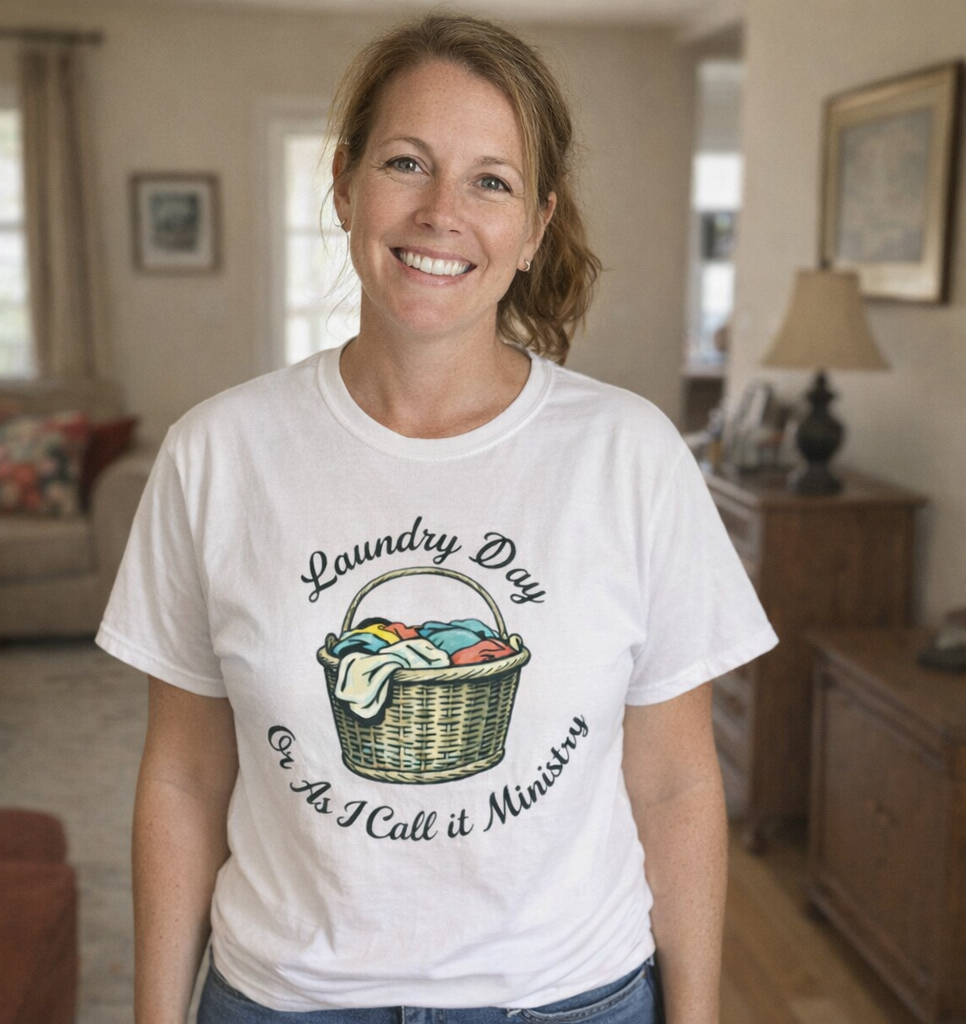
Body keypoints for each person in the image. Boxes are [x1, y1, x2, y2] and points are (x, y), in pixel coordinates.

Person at [97, 12, 777, 1024]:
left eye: (489, 181)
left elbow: (676, 781)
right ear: (344, 184)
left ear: (537, 225)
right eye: (406, 163)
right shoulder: (217, 454)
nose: (440, 212)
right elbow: (187, 776)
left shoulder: (629, 456)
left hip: (567, 999)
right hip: (284, 999)